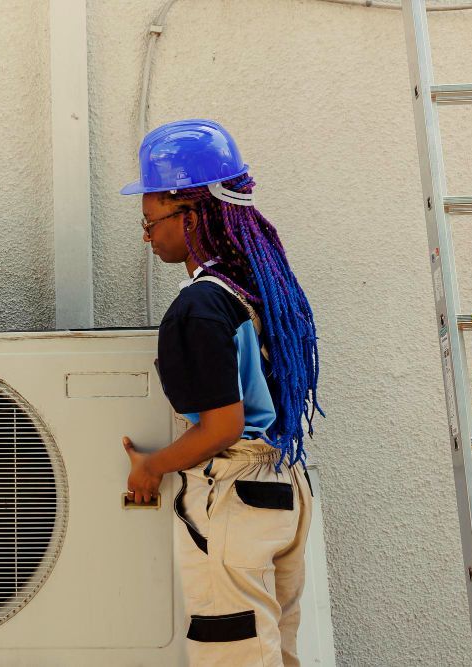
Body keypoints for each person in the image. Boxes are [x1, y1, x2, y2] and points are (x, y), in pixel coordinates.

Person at [119, 119, 323, 667]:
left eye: (150, 217)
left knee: (232, 653)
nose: (147, 234)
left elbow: (222, 427)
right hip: (282, 485)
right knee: (274, 650)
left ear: (192, 212)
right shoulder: (258, 289)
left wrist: (151, 466)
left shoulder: (200, 306)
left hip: (233, 493)